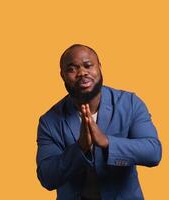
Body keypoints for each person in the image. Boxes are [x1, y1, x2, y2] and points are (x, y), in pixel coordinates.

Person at [36, 44, 162, 200]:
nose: (82, 73)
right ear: (62, 75)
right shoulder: (49, 121)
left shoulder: (130, 103)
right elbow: (47, 177)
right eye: (72, 69)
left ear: (100, 67)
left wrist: (107, 142)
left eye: (88, 65)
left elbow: (153, 152)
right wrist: (80, 148)